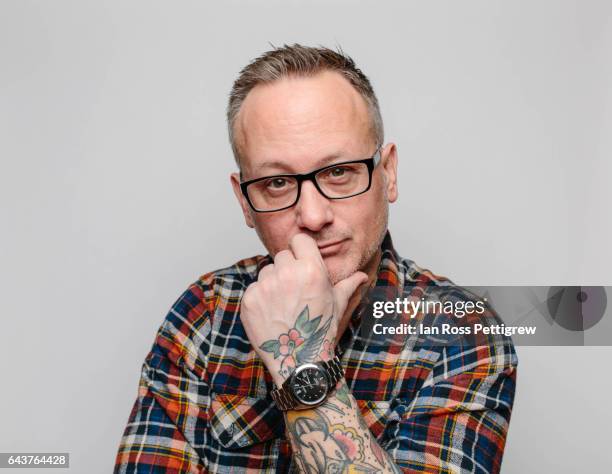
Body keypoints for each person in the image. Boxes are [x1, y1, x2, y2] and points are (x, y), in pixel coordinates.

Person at [114, 44, 518, 473]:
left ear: (389, 173)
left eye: (339, 172)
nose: (312, 215)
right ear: (245, 202)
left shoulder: (461, 330)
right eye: (277, 182)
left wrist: (302, 360)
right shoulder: (204, 315)